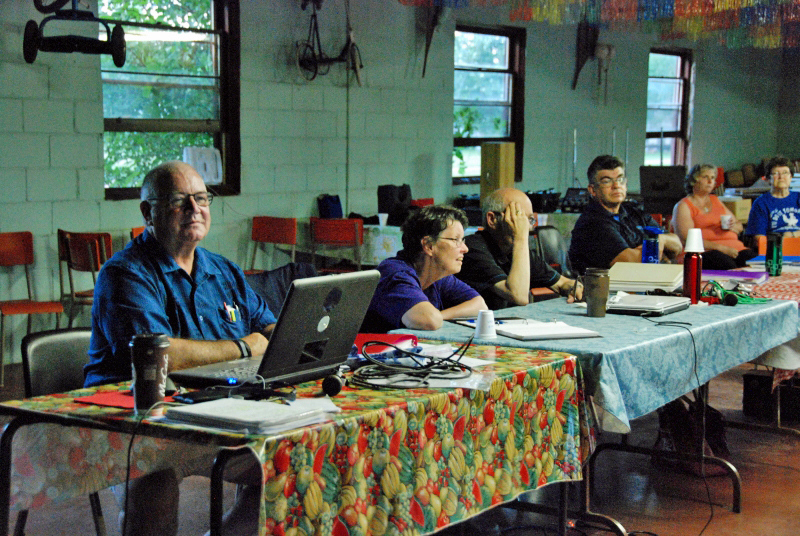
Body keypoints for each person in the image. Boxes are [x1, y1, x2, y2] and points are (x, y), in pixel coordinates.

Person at [86, 161, 274, 535]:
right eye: (178, 200)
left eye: (201, 198)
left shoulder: (224, 271)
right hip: (136, 422)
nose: (194, 209)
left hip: (214, 412)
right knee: (152, 479)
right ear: (148, 213)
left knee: (289, 457)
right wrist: (243, 347)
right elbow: (158, 353)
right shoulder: (125, 273)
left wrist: (289, 334)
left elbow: (268, 327)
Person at [361, 204, 487, 332]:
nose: (465, 249)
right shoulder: (395, 273)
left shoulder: (437, 274)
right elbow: (429, 321)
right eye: (456, 240)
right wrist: (436, 317)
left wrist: (440, 316)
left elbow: (480, 306)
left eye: (463, 240)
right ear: (428, 245)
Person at [457, 188, 582, 309]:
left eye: (530, 220)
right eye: (518, 218)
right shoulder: (472, 249)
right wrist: (520, 238)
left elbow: (562, 283)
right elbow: (518, 296)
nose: (527, 227)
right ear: (492, 219)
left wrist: (572, 287)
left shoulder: (514, 250)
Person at [568, 155, 682, 274]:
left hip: (646, 281)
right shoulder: (591, 223)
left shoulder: (635, 213)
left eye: (620, 179)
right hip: (611, 285)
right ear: (592, 190)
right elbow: (632, 263)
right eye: (607, 181)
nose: (616, 185)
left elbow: (677, 246)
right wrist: (660, 250)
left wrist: (660, 239)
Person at [672, 164, 756, 270]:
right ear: (694, 180)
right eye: (705, 177)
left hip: (735, 249)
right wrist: (721, 248)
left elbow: (739, 226)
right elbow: (687, 239)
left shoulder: (715, 200)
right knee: (727, 264)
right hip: (704, 252)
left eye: (712, 178)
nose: (710, 181)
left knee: (756, 263)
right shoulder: (683, 206)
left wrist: (732, 226)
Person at [745, 156, 800, 240]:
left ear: (791, 177)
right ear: (768, 179)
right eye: (776, 173)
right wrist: (781, 239)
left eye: (785, 173)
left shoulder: (798, 198)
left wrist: (793, 235)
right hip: (776, 246)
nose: (781, 177)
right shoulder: (761, 203)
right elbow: (759, 237)